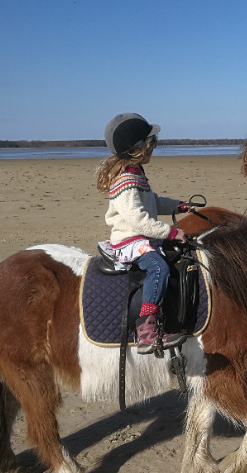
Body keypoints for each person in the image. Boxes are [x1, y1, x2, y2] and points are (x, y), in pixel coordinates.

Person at [96, 112, 189, 354]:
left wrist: (177, 205)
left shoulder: (136, 172)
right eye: (151, 145)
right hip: (131, 239)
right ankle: (146, 328)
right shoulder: (125, 179)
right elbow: (138, 220)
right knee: (159, 267)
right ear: (138, 149)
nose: (153, 150)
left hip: (142, 235)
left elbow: (152, 202)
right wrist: (171, 232)